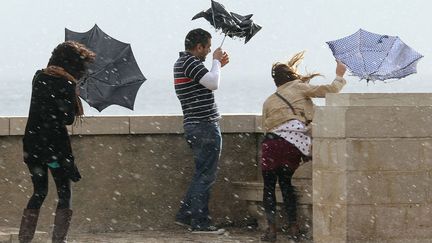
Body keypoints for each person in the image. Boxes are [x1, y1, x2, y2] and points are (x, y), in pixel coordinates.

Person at [260, 51, 346, 242]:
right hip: (290, 144)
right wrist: (340, 74)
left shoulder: (269, 100)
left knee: (268, 188)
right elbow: (330, 90)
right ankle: (293, 227)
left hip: (270, 144)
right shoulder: (299, 87)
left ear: (276, 82)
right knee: (286, 185)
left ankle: (271, 229)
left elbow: (265, 126)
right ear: (292, 76)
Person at [18, 41, 95, 243]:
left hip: (33, 144)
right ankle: (58, 240)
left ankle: (24, 239)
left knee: (39, 191)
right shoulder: (66, 84)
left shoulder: (38, 77)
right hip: (54, 149)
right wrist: (72, 94)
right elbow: (67, 119)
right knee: (64, 193)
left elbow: (43, 109)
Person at [173, 28, 229, 234]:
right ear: (199, 47)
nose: (208, 51)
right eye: (207, 48)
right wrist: (215, 62)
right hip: (204, 125)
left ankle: (186, 215)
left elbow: (209, 80)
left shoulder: (183, 63)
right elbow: (213, 83)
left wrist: (217, 65)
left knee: (201, 173)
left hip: (195, 125)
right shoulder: (190, 63)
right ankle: (200, 222)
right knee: (206, 175)